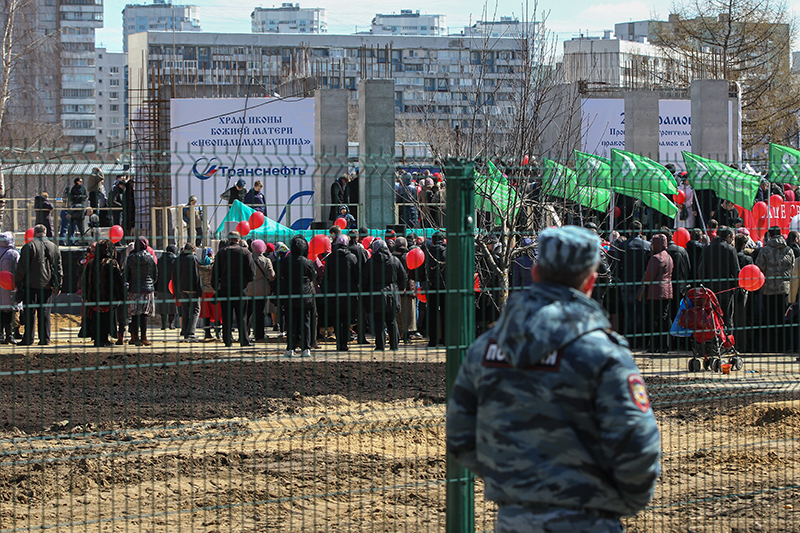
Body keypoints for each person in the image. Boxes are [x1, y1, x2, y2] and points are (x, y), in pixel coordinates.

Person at [447, 226, 660, 533]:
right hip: (589, 520)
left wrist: (516, 481)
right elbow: (637, 446)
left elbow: (459, 434)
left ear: (534, 273)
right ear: (591, 281)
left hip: (514, 520)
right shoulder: (605, 354)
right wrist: (623, 501)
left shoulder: (486, 348)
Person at [15, 224, 63, 346]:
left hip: (30, 285)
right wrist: (58, 285)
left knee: (30, 313)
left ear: (35, 233)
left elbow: (22, 267)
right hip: (47, 285)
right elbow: (58, 268)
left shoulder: (29, 246)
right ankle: (45, 339)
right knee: (45, 313)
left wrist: (17, 282)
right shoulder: (54, 247)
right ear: (45, 232)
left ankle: (28, 339)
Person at [756, 226, 795, 352]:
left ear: (770, 236)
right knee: (784, 319)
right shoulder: (789, 250)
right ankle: (785, 346)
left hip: (769, 289)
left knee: (770, 320)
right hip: (785, 289)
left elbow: (758, 268)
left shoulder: (765, 250)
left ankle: (771, 347)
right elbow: (793, 267)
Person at [212, 231, 255, 347]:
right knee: (242, 315)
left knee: (226, 314)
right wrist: (247, 280)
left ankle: (227, 340)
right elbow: (251, 272)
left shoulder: (221, 253)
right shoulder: (245, 252)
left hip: (226, 287)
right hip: (240, 287)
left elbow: (215, 272)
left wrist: (216, 287)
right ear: (239, 240)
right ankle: (244, 340)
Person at [364, 238, 406, 351]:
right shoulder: (394, 260)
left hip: (376, 293)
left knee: (378, 321)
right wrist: (400, 288)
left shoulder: (370, 262)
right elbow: (403, 277)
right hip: (392, 292)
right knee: (392, 320)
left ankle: (380, 345)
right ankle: (394, 345)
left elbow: (364, 279)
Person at [278, 234, 316, 357]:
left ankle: (290, 348)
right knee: (306, 321)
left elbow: (282, 275)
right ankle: (306, 348)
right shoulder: (308, 262)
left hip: (289, 294)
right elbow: (312, 276)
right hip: (305, 295)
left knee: (290, 323)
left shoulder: (285, 260)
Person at [83, 239, 125, 347]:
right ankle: (104, 339)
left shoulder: (91, 263)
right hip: (107, 296)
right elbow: (118, 281)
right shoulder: (111, 263)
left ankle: (97, 339)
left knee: (96, 318)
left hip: (94, 297)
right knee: (106, 319)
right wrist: (120, 296)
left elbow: (85, 281)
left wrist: (86, 296)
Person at [322, 235, 359, 351]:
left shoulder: (330, 258)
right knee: (346, 318)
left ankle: (339, 342)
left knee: (337, 318)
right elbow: (357, 276)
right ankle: (345, 343)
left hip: (334, 293)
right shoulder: (352, 258)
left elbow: (326, 277)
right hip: (349, 292)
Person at [699, 226, 740, 327]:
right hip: (726, 289)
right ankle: (727, 340)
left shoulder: (707, 249)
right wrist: (736, 286)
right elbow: (736, 270)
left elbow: (701, 270)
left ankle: (714, 340)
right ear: (729, 236)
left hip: (711, 290)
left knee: (712, 317)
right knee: (727, 318)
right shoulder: (730, 249)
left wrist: (704, 285)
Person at [639, 233, 673, 353]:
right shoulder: (668, 257)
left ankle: (653, 345)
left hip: (655, 292)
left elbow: (649, 275)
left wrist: (643, 281)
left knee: (654, 319)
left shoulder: (655, 258)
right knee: (664, 319)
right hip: (667, 291)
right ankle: (664, 345)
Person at [125, 236, 158, 346]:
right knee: (144, 314)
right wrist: (151, 282)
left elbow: (126, 275)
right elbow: (155, 273)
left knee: (134, 314)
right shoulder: (150, 257)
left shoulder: (130, 258)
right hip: (147, 290)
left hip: (134, 289)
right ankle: (144, 337)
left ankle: (135, 338)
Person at [244, 239, 275, 343]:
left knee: (247, 313)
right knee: (260, 313)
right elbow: (271, 276)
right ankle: (259, 335)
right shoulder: (266, 261)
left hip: (248, 289)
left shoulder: (247, 259)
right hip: (262, 290)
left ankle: (245, 334)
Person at [174, 243, 202, 342]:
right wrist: (199, 290)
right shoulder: (193, 259)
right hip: (192, 288)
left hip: (181, 289)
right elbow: (196, 276)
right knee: (195, 309)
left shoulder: (177, 259)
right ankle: (191, 332)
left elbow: (174, 276)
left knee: (185, 309)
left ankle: (185, 331)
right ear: (193, 250)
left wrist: (177, 290)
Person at [423, 232, 446, 347]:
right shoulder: (448, 252)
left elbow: (423, 269)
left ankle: (432, 340)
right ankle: (446, 340)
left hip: (431, 287)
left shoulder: (428, 253)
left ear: (432, 240)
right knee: (446, 314)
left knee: (432, 315)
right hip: (445, 288)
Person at [0, 232, 21, 344]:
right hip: (9, 287)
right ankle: (9, 335)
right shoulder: (13, 254)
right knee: (8, 311)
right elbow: (18, 270)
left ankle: (0, 336)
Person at [198, 248, 220, 341]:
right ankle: (218, 332)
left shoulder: (198, 266)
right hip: (213, 291)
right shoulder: (214, 266)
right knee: (217, 312)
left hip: (204, 291)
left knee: (206, 313)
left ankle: (207, 333)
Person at [156, 244, 178, 330]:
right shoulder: (176, 261)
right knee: (172, 306)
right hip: (172, 286)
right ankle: (171, 324)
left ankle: (163, 324)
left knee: (162, 306)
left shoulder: (160, 260)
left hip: (161, 286)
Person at [67, 177, 88, 245]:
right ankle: (71, 241)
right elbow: (71, 197)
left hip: (81, 207)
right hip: (75, 207)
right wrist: (78, 197)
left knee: (81, 226)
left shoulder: (83, 188)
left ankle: (83, 240)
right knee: (72, 226)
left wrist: (81, 197)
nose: (81, 182)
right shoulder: (73, 188)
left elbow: (85, 196)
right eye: (80, 181)